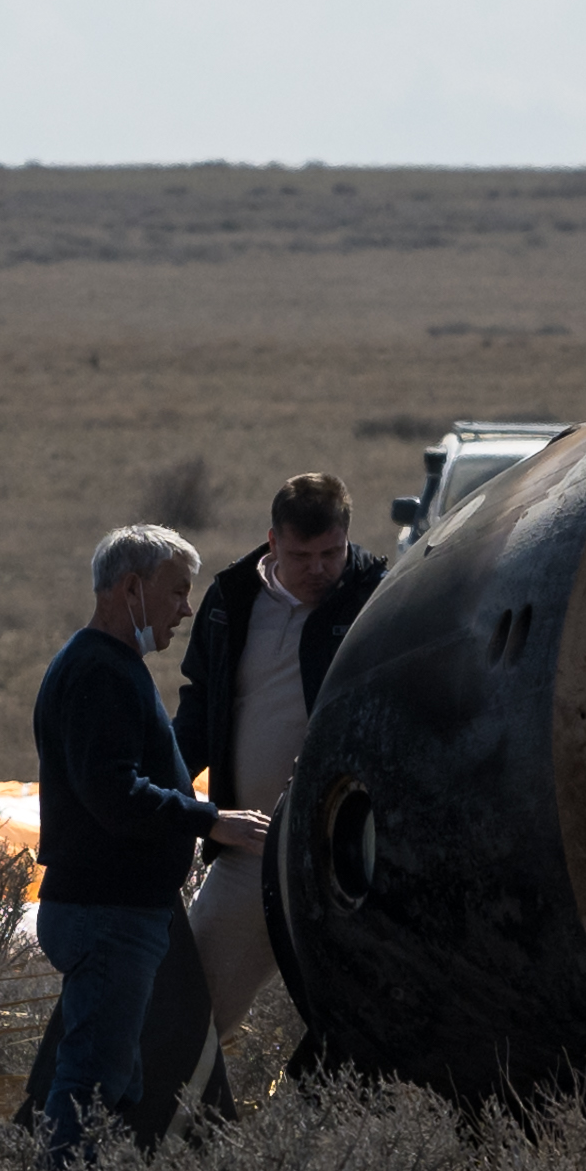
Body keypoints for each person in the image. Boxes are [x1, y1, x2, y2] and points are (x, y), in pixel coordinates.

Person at [24, 525, 265, 1171]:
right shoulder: (99, 672)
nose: (185, 610)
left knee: (116, 1076)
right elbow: (115, 795)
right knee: (91, 1081)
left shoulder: (106, 665)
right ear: (131, 588)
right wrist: (210, 820)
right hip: (107, 912)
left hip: (117, 912)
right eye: (177, 592)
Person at [151, 471, 376, 1114]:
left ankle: (345, 1143)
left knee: (365, 1018)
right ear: (272, 543)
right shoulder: (230, 600)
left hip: (349, 863)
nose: (318, 569)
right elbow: (200, 708)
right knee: (188, 1011)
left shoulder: (377, 598)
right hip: (248, 851)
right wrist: (164, 792)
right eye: (301, 556)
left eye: (331, 553)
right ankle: (162, 1138)